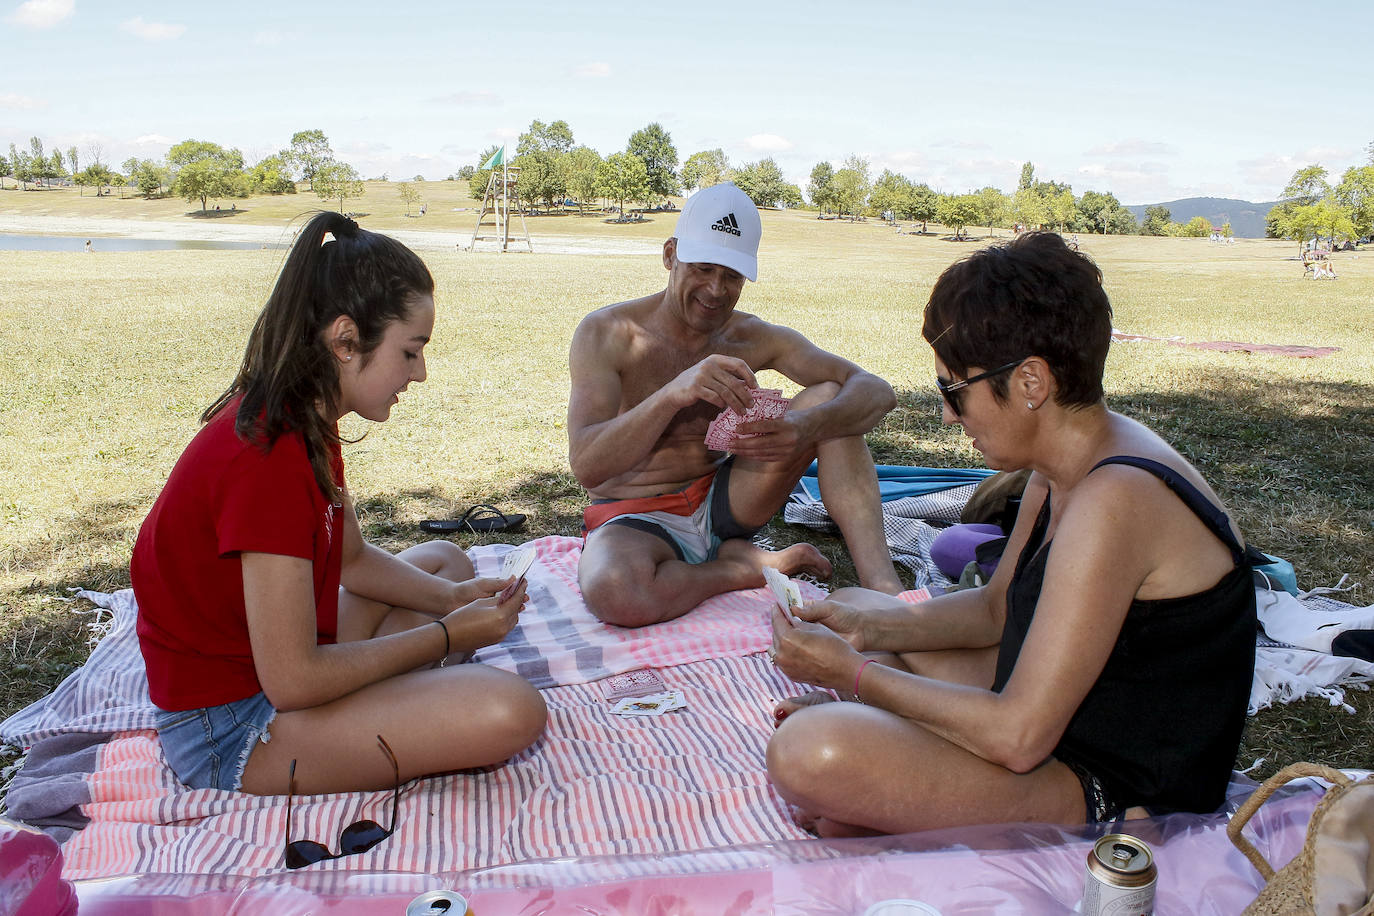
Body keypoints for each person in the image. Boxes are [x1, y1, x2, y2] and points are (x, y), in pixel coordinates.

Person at [765, 231, 1256, 835]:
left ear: (1030, 382)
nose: (947, 414)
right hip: (1059, 717)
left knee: (812, 752)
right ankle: (891, 773)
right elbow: (997, 611)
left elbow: (1020, 736)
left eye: (954, 391)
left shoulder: (1114, 498)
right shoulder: (1069, 462)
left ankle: (889, 776)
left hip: (1112, 782)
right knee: (854, 604)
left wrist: (852, 674)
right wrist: (863, 630)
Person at [132, 211, 546, 797]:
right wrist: (451, 635)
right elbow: (294, 681)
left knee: (446, 564)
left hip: (268, 670)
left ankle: (385, 699)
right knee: (510, 710)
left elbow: (351, 560)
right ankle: (392, 703)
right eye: (410, 351)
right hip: (232, 731)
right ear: (346, 341)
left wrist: (454, 602)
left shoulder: (304, 420)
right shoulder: (267, 459)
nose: (421, 373)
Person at [567, 182, 903, 629]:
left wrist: (804, 426)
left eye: (732, 276)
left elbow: (875, 391)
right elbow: (588, 467)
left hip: (725, 502)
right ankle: (744, 568)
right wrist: (673, 394)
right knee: (616, 592)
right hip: (634, 516)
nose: (716, 290)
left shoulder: (751, 336)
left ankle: (884, 589)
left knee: (830, 398)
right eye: (703, 269)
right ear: (670, 255)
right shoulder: (608, 333)